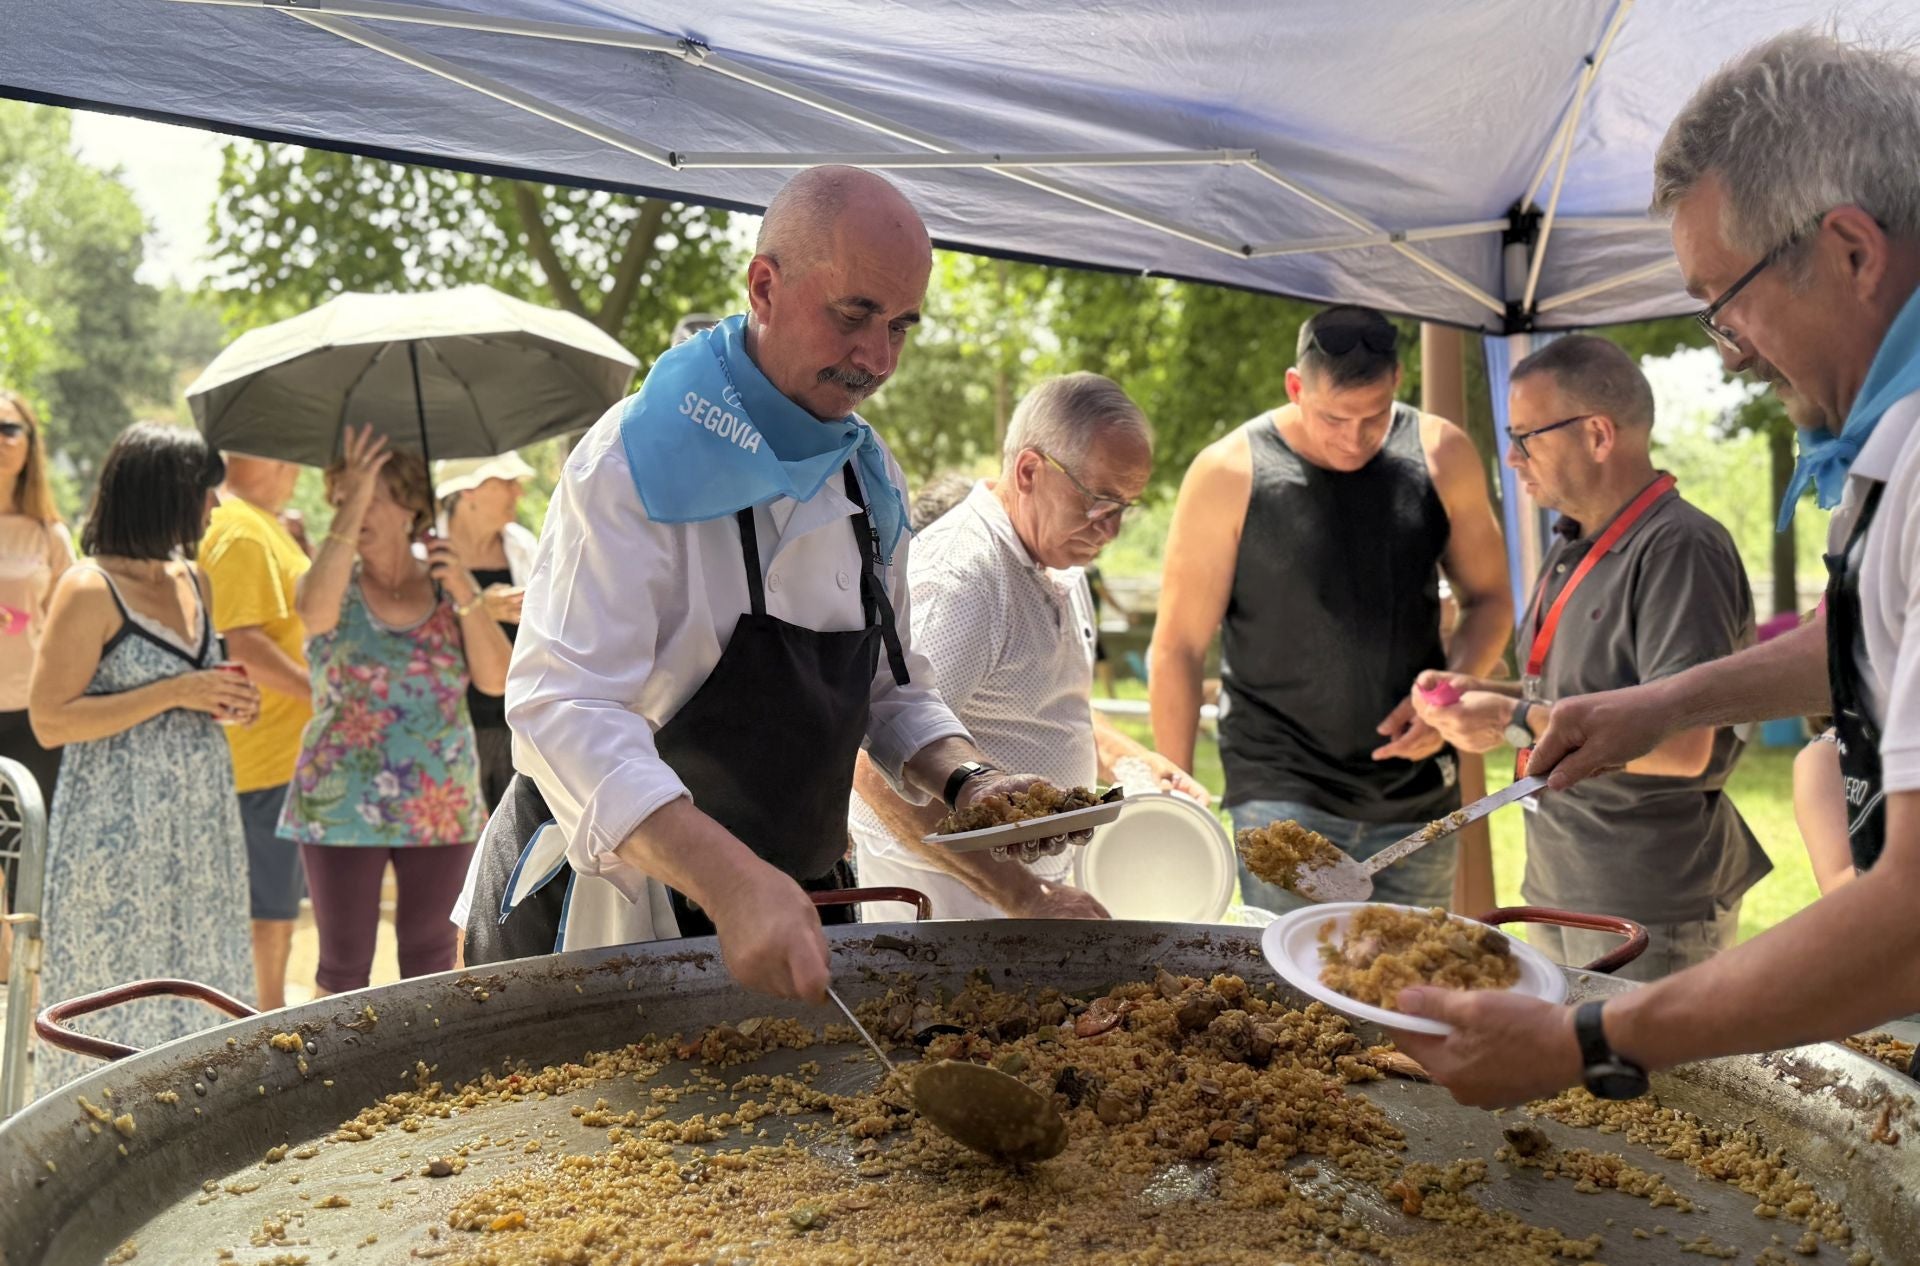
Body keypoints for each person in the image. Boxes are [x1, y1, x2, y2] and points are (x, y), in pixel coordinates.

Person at [1394, 30, 1920, 1105]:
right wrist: (1656, 702)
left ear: (1854, 251)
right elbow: (1867, 633)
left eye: (1727, 301)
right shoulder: (1890, 445)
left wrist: (1588, 1037)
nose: (1730, 348)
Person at [457, 166, 1088, 1001]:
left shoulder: (868, 477)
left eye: (900, 326)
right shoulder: (633, 461)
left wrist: (972, 781)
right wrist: (729, 880)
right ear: (764, 285)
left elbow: (892, 690)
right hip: (613, 910)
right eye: (853, 314)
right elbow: (561, 711)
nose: (876, 358)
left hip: (797, 901)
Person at [1412, 336, 1765, 980]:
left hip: (1649, 904)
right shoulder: (1574, 538)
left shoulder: (1679, 548)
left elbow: (1684, 747)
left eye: (1527, 437)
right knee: (1563, 1079)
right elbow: (1576, 692)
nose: (1513, 459)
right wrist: (1479, 690)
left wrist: (1515, 718)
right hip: (1559, 882)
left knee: (1650, 1083)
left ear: (1599, 434)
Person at [1149, 305, 1513, 913]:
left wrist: (1447, 698)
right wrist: (1177, 796)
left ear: (1398, 379)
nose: (1353, 438)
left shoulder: (1443, 454)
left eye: (1372, 418)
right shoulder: (1228, 471)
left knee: (1407, 996)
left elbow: (1491, 600)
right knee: (1298, 995)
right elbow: (1179, 646)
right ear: (1296, 388)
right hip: (1279, 787)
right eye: (1333, 418)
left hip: (1419, 794)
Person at [850, 374, 1206, 920]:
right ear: (1029, 471)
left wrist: (1123, 755)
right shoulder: (965, 578)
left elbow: (1033, 697)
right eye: (1100, 502)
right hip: (947, 909)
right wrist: (1025, 896)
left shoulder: (1058, 559)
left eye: (1125, 507)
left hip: (1009, 905)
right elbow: (875, 765)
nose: (1111, 530)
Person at [29, 423, 259, 1092]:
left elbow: (196, 687)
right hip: (115, 826)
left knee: (203, 966)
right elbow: (49, 721)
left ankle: (203, 1117)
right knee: (116, 973)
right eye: (204, 493)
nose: (214, 508)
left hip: (201, 819)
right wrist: (177, 689)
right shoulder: (87, 588)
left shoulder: (198, 580)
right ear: (164, 495)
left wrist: (227, 701)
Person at [279, 428, 510, 996]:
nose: (352, 509)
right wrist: (357, 494)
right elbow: (311, 612)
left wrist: (464, 590)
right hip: (341, 802)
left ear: (411, 506)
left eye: (371, 496)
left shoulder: (445, 586)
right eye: (341, 497)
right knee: (342, 968)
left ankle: (427, 1083)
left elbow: (498, 679)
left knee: (431, 961)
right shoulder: (332, 581)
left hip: (440, 801)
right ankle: (332, 1084)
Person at [198, 453, 314, 1012]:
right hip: (259, 756)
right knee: (267, 916)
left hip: (275, 755)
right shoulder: (240, 527)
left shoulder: (259, 524)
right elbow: (241, 643)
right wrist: (327, 697)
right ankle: (260, 1027)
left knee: (276, 913)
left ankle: (261, 1020)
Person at [434, 452, 539, 812]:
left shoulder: (523, 546)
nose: (518, 494)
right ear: (469, 492)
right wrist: (479, 610)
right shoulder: (425, 552)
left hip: (515, 728)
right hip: (448, 730)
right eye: (506, 483)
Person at [0, 391, 73, 814]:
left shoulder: (51, 535)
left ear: (30, 444)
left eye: (11, 429)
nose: (3, 440)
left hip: (33, 714)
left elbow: (72, 629)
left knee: (23, 849)